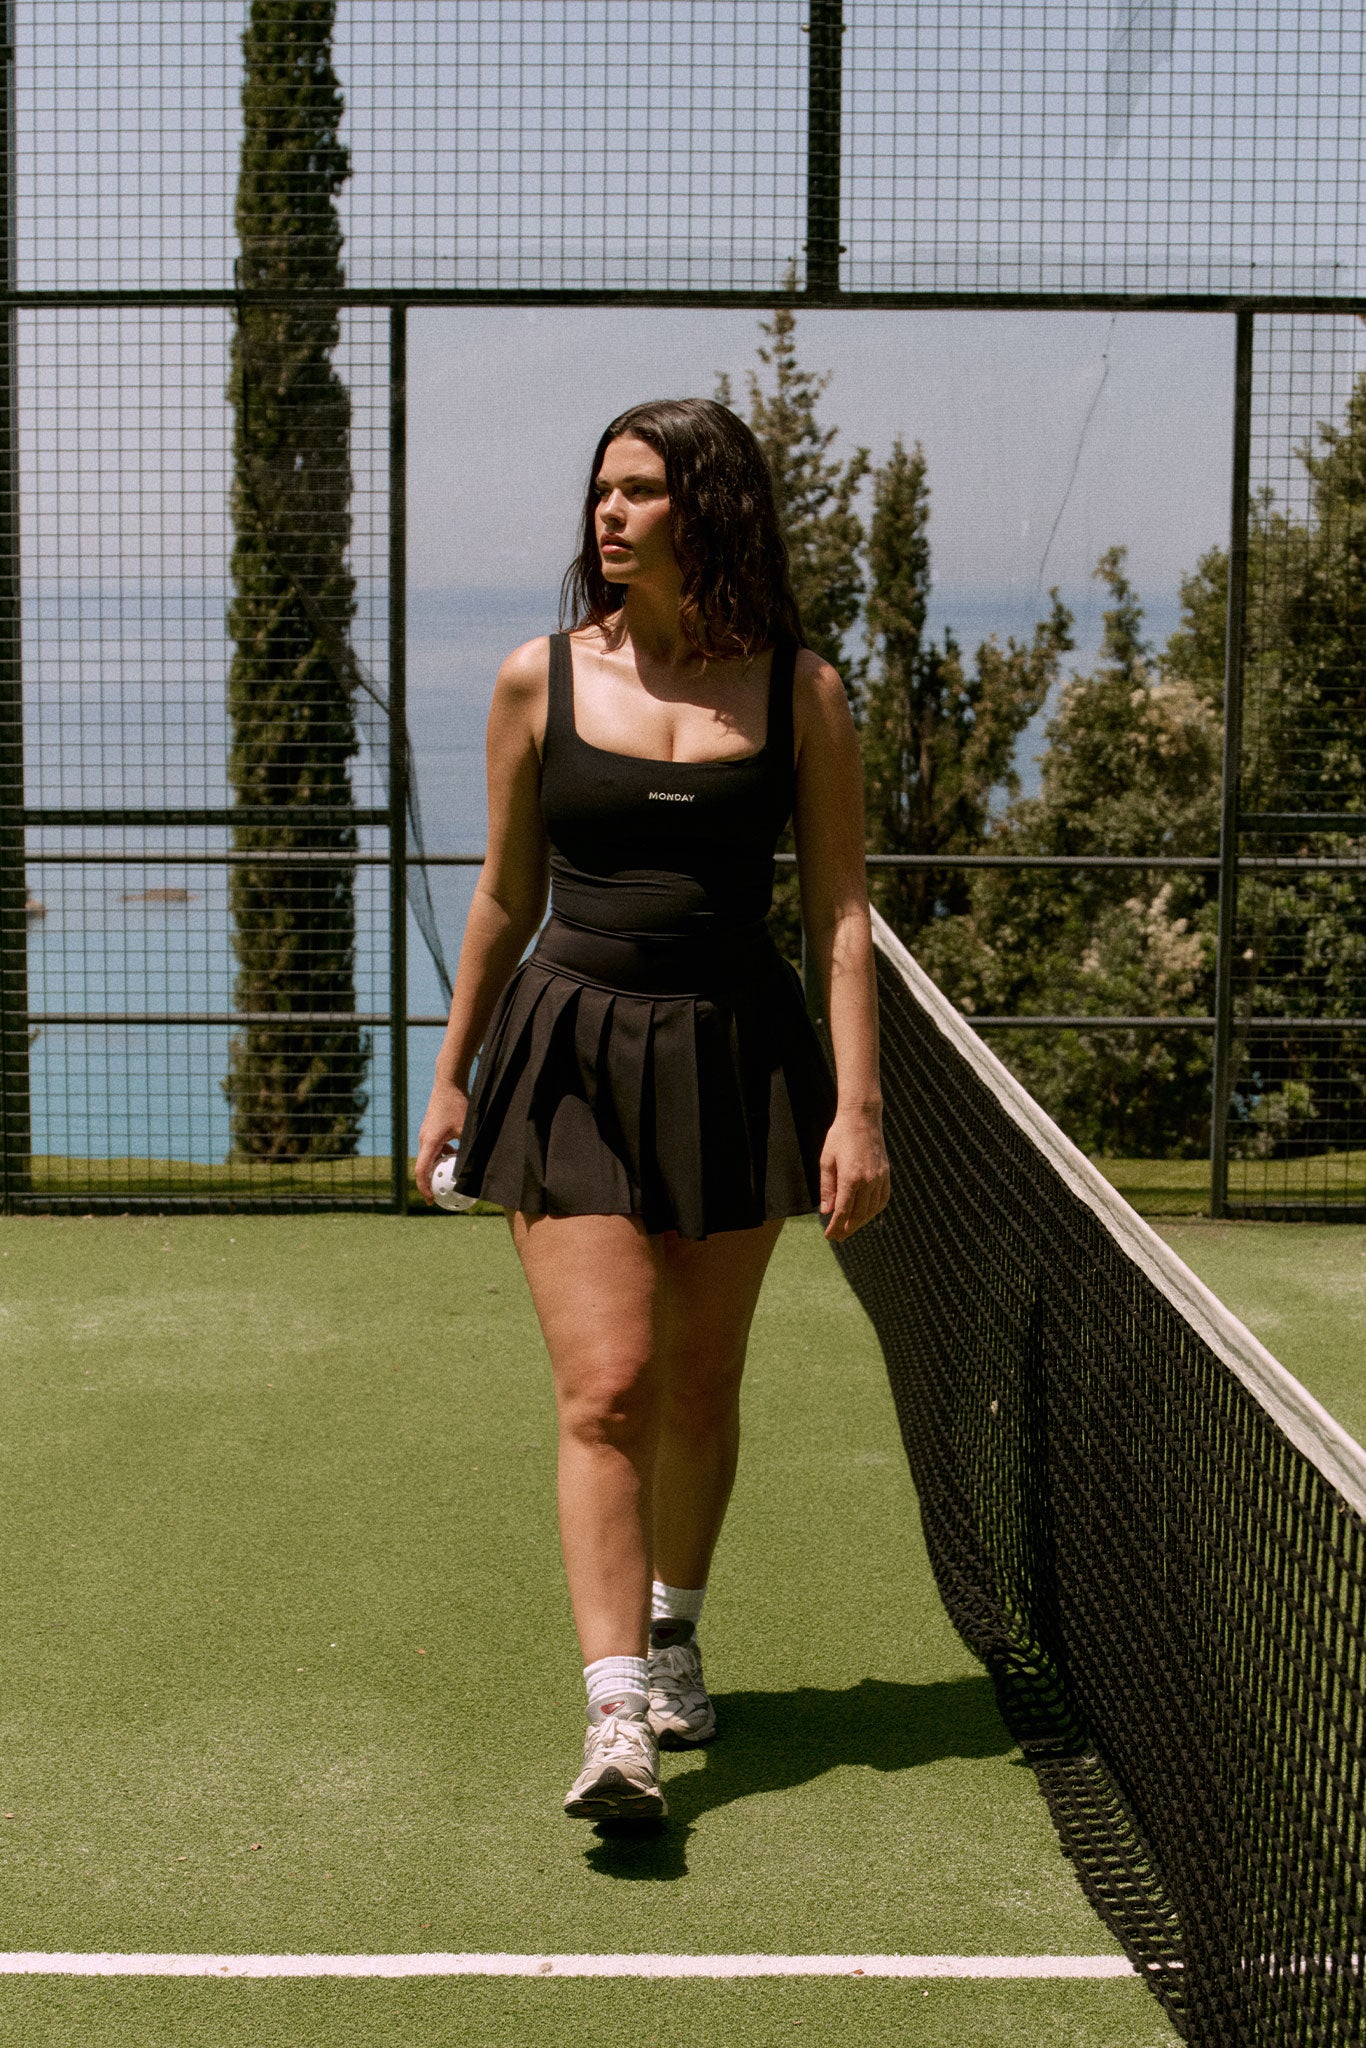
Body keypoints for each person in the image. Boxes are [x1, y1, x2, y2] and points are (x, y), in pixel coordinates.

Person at [415, 397, 890, 1822]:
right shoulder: (532, 681)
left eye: (638, 493)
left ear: (710, 509)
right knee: (606, 1387)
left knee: (696, 1384)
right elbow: (502, 895)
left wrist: (857, 1109)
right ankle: (614, 1714)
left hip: (740, 1052)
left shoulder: (797, 690)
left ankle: (674, 1631)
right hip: (566, 1051)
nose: (606, 516)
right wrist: (453, 1071)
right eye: (600, 493)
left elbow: (842, 913)